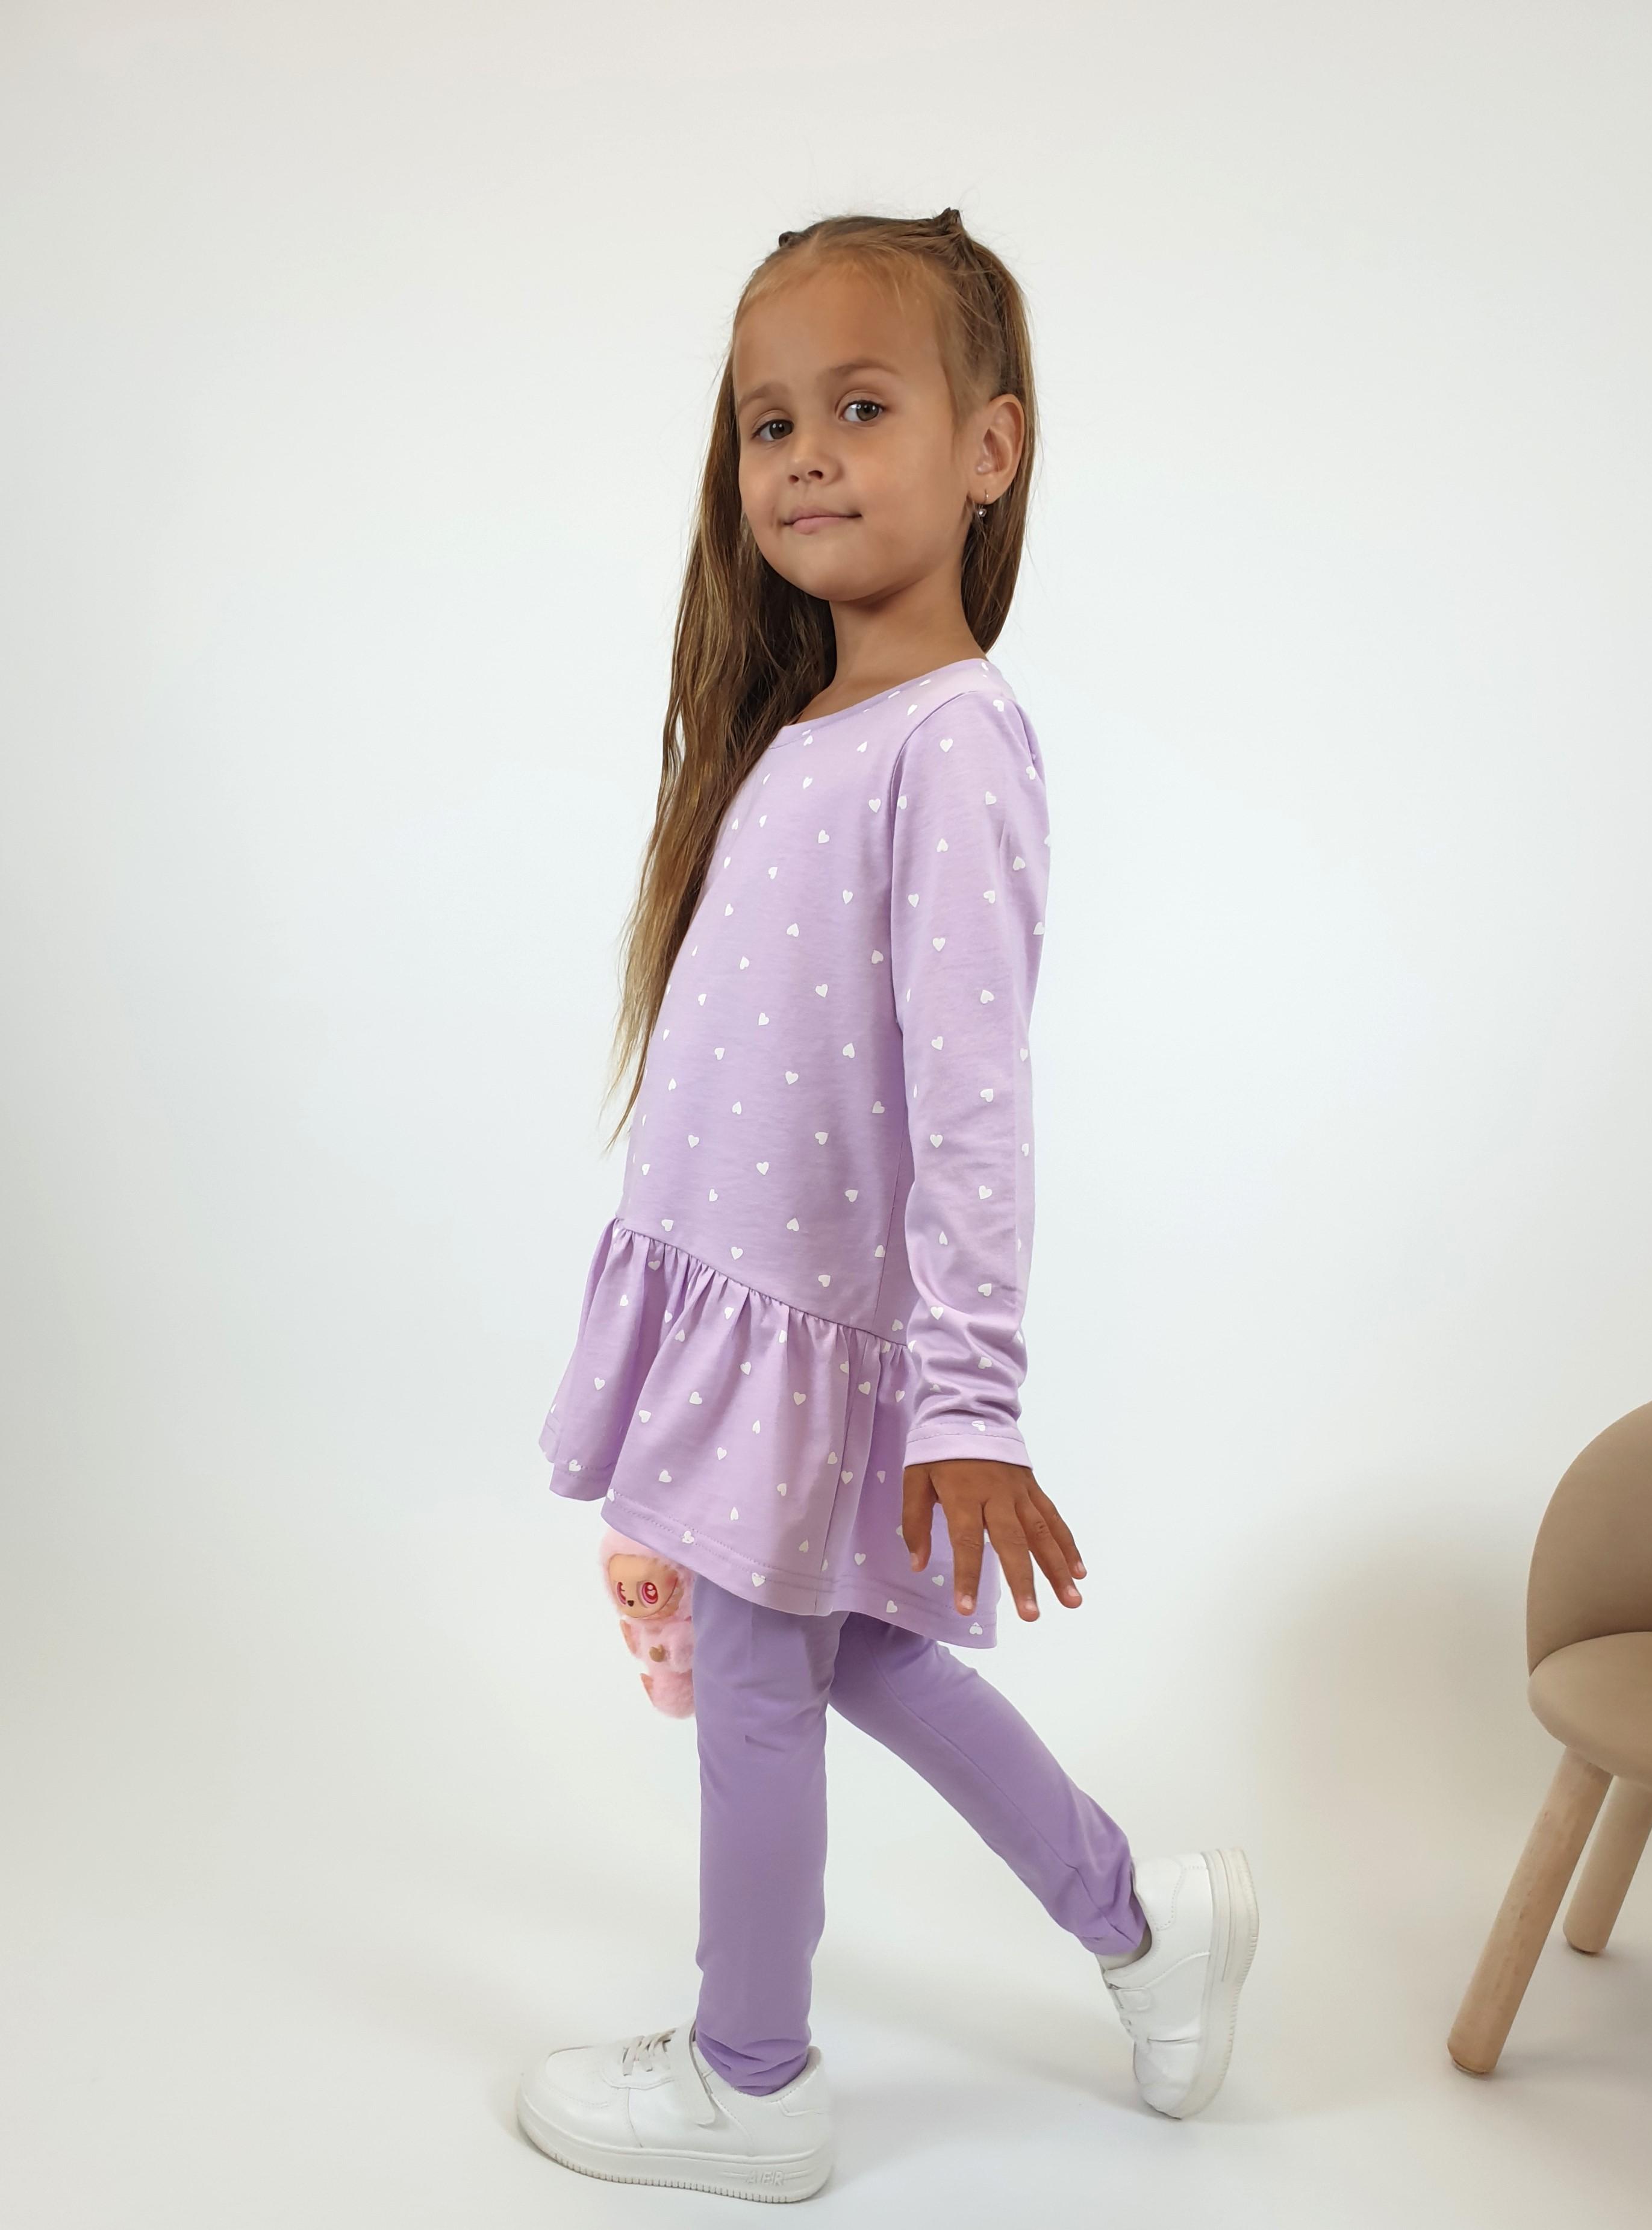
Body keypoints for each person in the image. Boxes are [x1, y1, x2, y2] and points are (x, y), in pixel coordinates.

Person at [515, 207, 1258, 2203]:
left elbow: (976, 1099)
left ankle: (753, 2080)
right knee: (850, 1658)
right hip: (753, 1315)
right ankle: (1143, 1922)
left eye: (862, 406)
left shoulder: (959, 740)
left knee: (767, 1688)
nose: (807, 458)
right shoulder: (809, 731)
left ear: (990, 449)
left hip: (826, 1337)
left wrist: (969, 1402)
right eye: (772, 423)